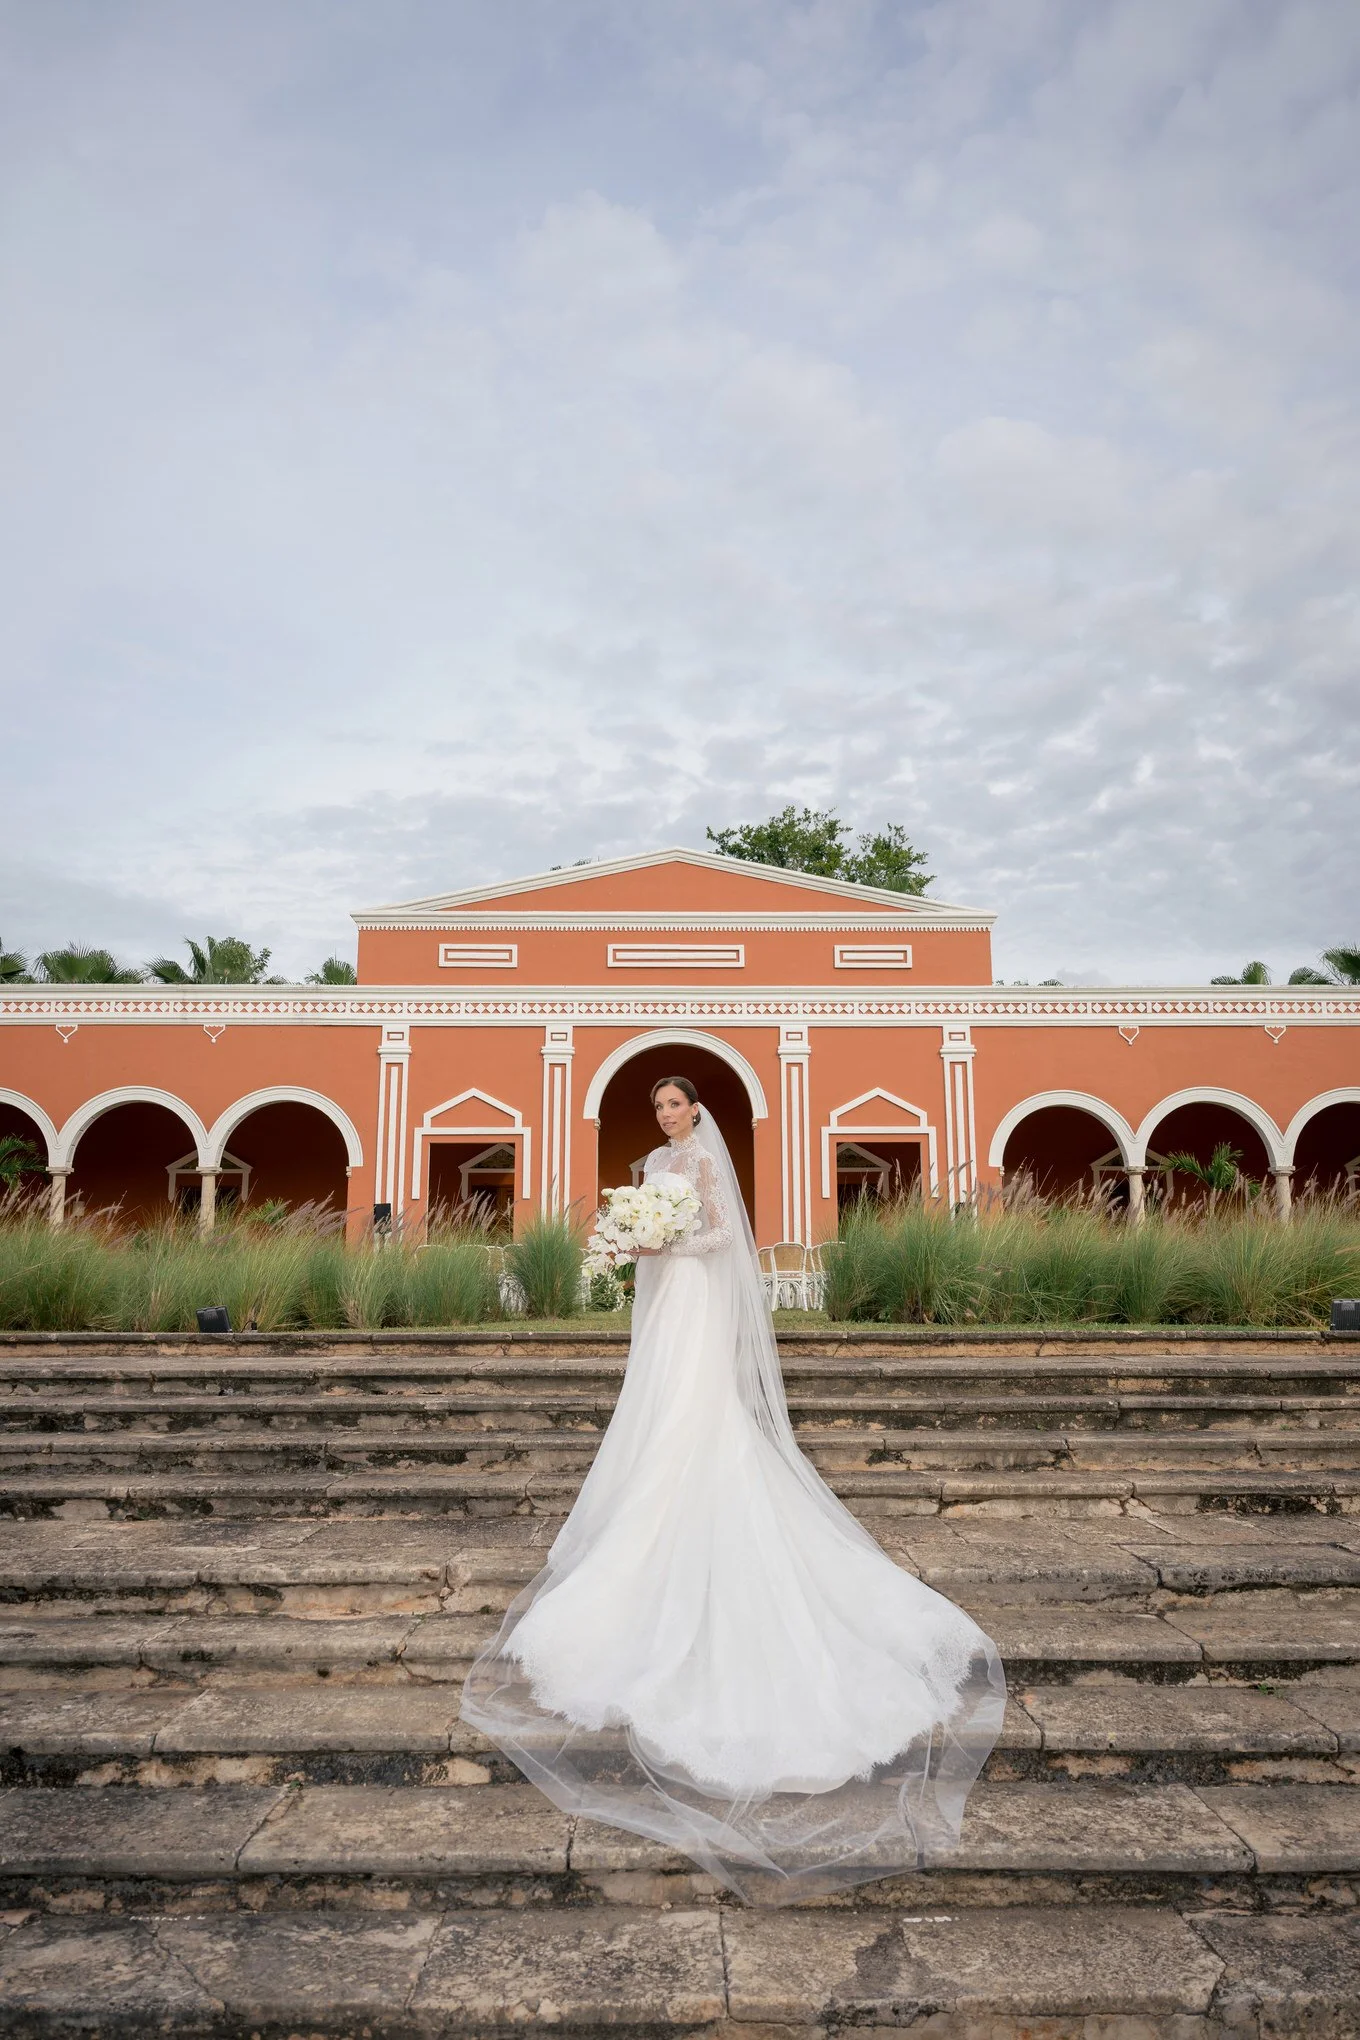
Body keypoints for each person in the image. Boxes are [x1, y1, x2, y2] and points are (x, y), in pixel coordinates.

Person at [460, 1076, 1005, 1900]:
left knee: (696, 1414)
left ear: (697, 1111)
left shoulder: (706, 1164)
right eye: (659, 1109)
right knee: (655, 1413)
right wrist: (635, 1237)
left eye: (674, 1106)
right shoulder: (649, 1162)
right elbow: (652, 1225)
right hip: (663, 1305)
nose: (666, 1117)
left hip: (697, 1302)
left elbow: (722, 1238)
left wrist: (665, 1239)